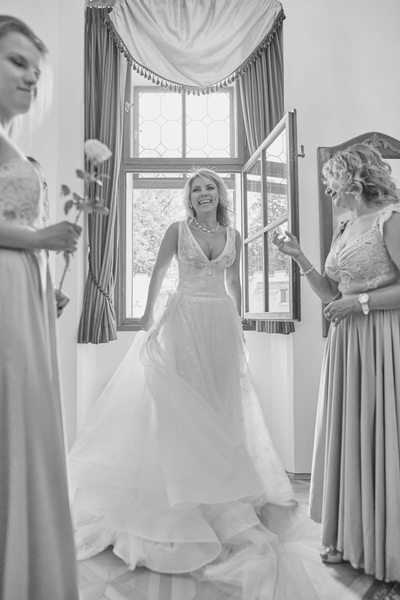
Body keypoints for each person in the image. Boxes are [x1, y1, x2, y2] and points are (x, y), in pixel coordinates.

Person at [69, 168, 321, 599]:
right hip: (184, 317)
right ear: (189, 198)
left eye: (209, 187)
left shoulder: (234, 234)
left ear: (220, 194)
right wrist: (148, 317)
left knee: (221, 403)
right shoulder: (176, 230)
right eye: (196, 189)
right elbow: (157, 272)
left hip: (220, 321)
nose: (203, 193)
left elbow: (234, 281)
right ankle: (179, 489)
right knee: (181, 406)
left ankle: (218, 490)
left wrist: (239, 321)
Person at [273, 143, 400, 581]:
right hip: (346, 346)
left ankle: (387, 546)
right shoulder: (345, 226)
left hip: (383, 341)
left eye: (331, 179)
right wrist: (299, 256)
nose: (327, 188)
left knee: (380, 437)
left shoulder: (391, 218)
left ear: (353, 178)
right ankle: (350, 538)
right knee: (351, 436)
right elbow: (331, 293)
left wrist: (359, 304)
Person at [0, 15, 81, 600]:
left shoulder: (12, 146)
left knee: (22, 423)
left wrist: (41, 280)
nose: (31, 76)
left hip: (21, 298)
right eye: (16, 61)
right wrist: (40, 242)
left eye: (35, 66)